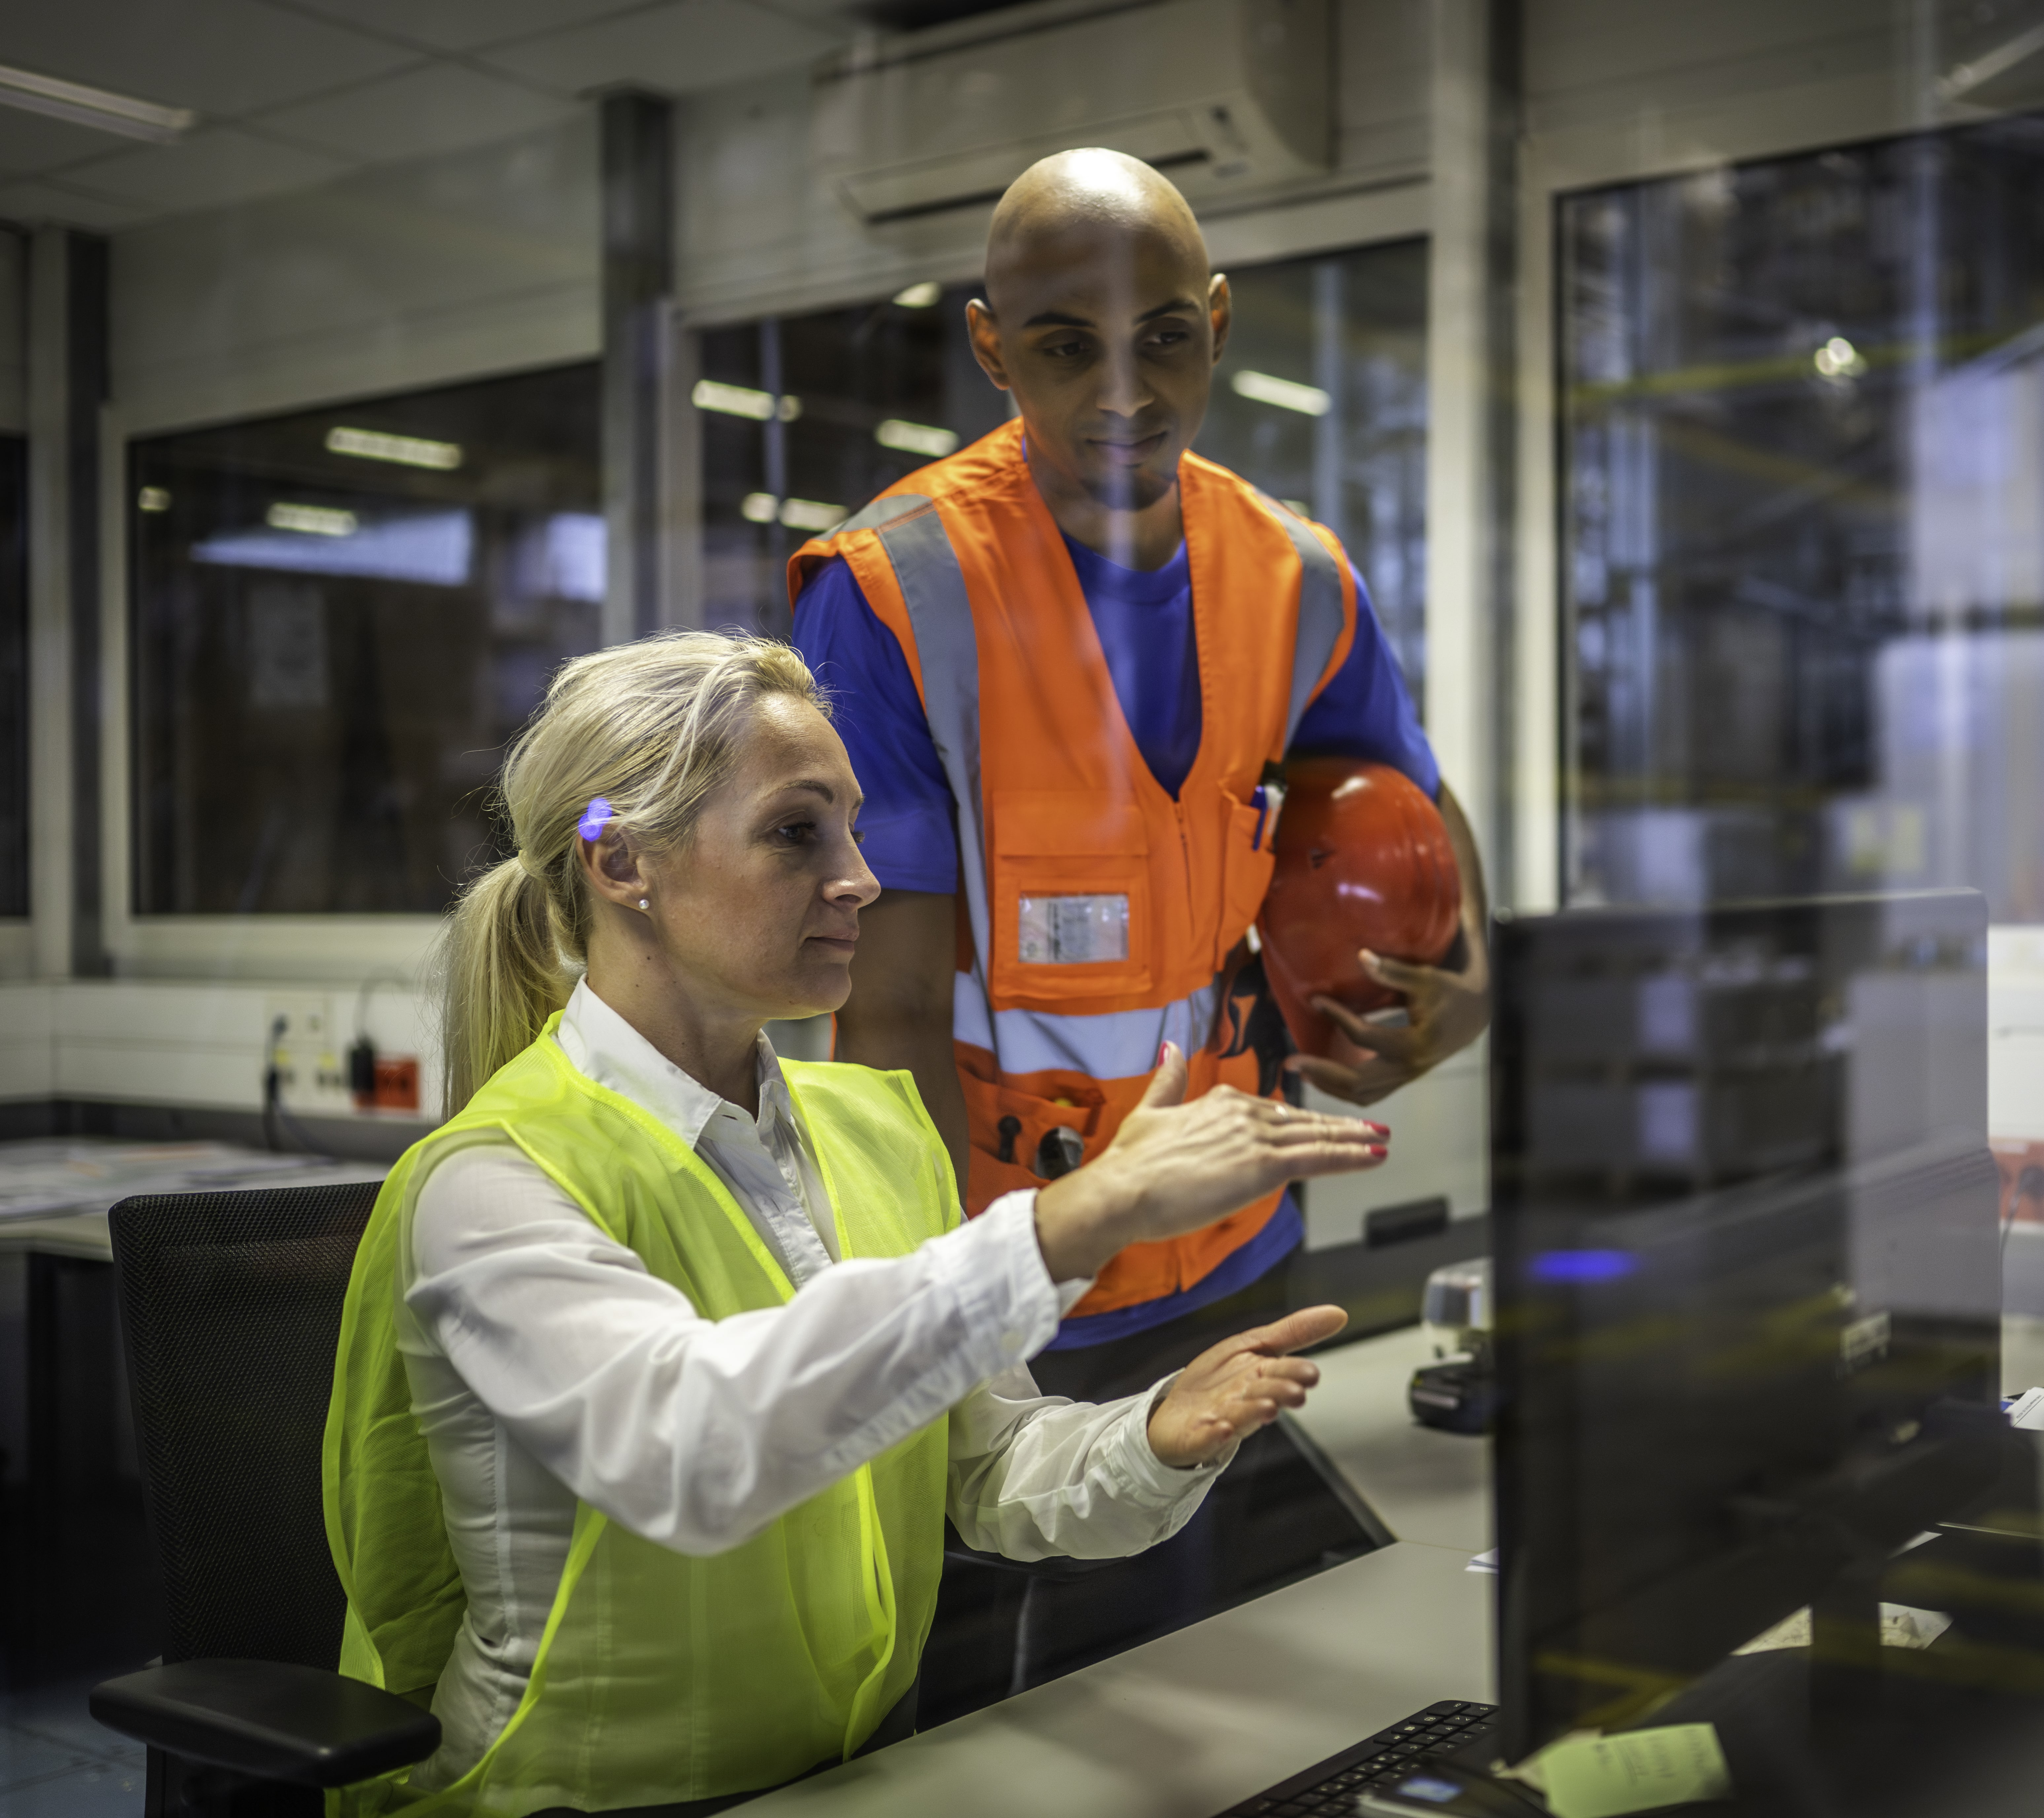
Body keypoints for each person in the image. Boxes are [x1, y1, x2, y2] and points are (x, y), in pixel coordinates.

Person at [322, 630, 1387, 1818]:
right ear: (621, 861)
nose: (862, 880)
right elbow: (692, 1450)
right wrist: (1070, 1223)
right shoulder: (491, 1181)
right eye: (797, 833)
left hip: (867, 1772)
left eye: (854, 830)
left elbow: (984, 1465)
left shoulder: (872, 1128)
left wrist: (1150, 1441)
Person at [790, 149, 1490, 1399]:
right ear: (993, 349)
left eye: (1164, 338)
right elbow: (886, 1012)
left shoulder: (1299, 579)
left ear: (1215, 324)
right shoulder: (894, 594)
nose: (1126, 392)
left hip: (1245, 1241)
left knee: (1229, 1534)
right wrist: (941, 1320)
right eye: (1067, 348)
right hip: (1022, 1284)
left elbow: (1417, 795)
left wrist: (1475, 978)